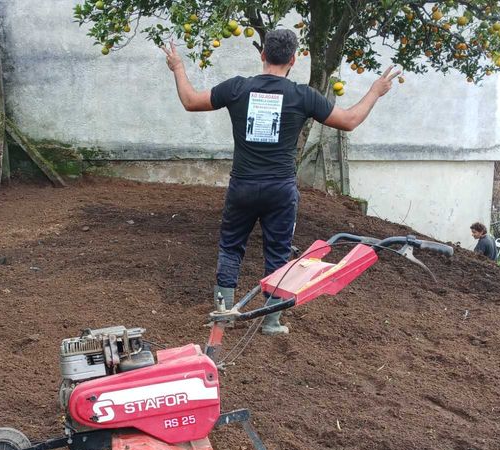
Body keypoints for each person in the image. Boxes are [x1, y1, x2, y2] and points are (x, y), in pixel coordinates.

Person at [161, 29, 399, 335]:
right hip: (280, 190)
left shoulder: (236, 88)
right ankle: (271, 322)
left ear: (262, 54)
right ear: (293, 59)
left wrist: (178, 68)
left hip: (243, 186)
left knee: (231, 247)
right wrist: (375, 91)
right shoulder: (303, 96)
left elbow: (191, 101)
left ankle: (223, 314)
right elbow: (349, 120)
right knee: (278, 252)